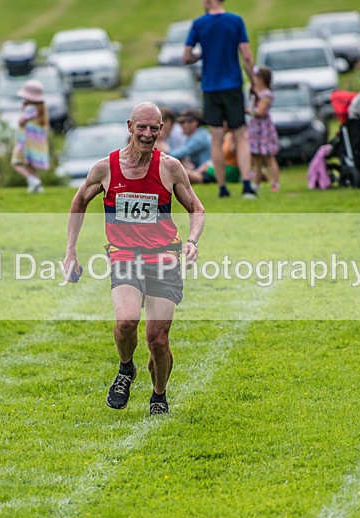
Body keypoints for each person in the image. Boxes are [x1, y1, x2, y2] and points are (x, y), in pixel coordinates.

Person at [63, 102, 205, 415]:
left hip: (163, 257)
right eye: (142, 127)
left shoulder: (170, 168)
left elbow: (196, 208)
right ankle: (126, 368)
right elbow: (79, 202)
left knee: (157, 339)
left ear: (162, 129)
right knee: (126, 321)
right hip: (124, 255)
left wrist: (193, 241)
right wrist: (71, 251)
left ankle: (159, 395)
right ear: (130, 127)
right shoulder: (106, 168)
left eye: (154, 128)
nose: (147, 134)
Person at [184, 0, 257, 199]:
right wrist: (254, 83)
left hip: (210, 87)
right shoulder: (235, 21)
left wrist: (201, 56)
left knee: (216, 139)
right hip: (232, 85)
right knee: (240, 136)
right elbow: (246, 56)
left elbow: (186, 56)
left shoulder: (199, 24)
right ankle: (247, 185)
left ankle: (222, 187)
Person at [11, 79, 49, 194]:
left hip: (26, 142)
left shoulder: (30, 109)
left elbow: (21, 122)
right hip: (36, 144)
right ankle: (37, 186)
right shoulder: (42, 109)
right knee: (30, 166)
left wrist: (23, 109)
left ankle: (32, 180)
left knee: (15, 163)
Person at [248, 66, 280, 192]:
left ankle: (275, 183)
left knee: (269, 157)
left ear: (261, 79)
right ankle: (256, 182)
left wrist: (248, 111)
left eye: (256, 77)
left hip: (263, 130)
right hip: (255, 129)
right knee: (256, 159)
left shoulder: (266, 95)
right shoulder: (255, 93)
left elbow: (260, 112)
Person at [169, 109, 212, 183]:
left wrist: (161, 146)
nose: (180, 126)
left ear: (194, 123)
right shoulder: (196, 135)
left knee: (174, 170)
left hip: (207, 174)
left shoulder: (199, 138)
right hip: (199, 171)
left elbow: (176, 154)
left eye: (182, 122)